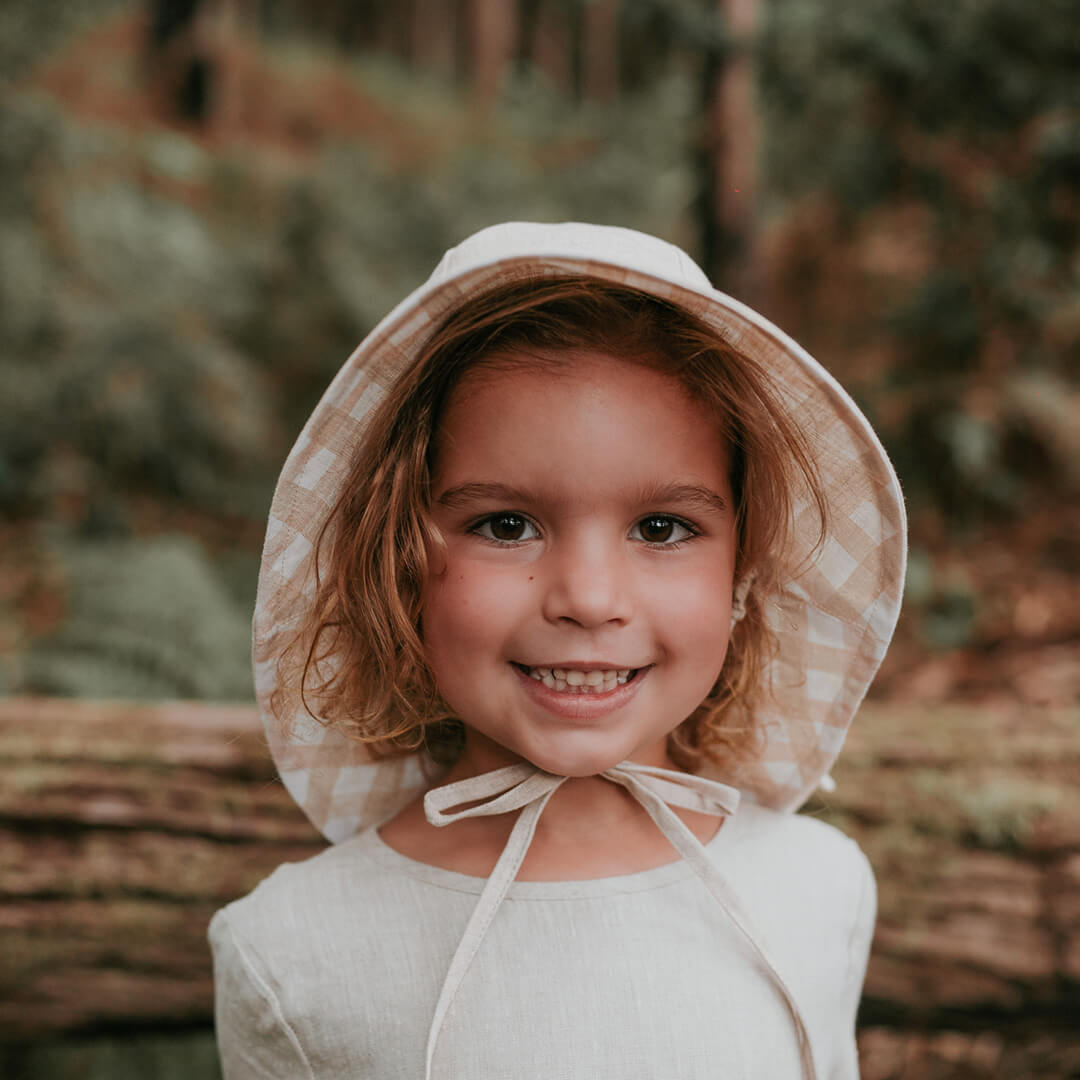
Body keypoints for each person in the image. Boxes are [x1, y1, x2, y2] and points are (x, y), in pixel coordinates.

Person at [209, 221, 906, 1079]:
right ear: (400, 558)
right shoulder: (291, 952)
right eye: (507, 525)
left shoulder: (816, 888)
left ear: (743, 570)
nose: (587, 598)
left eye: (661, 527)